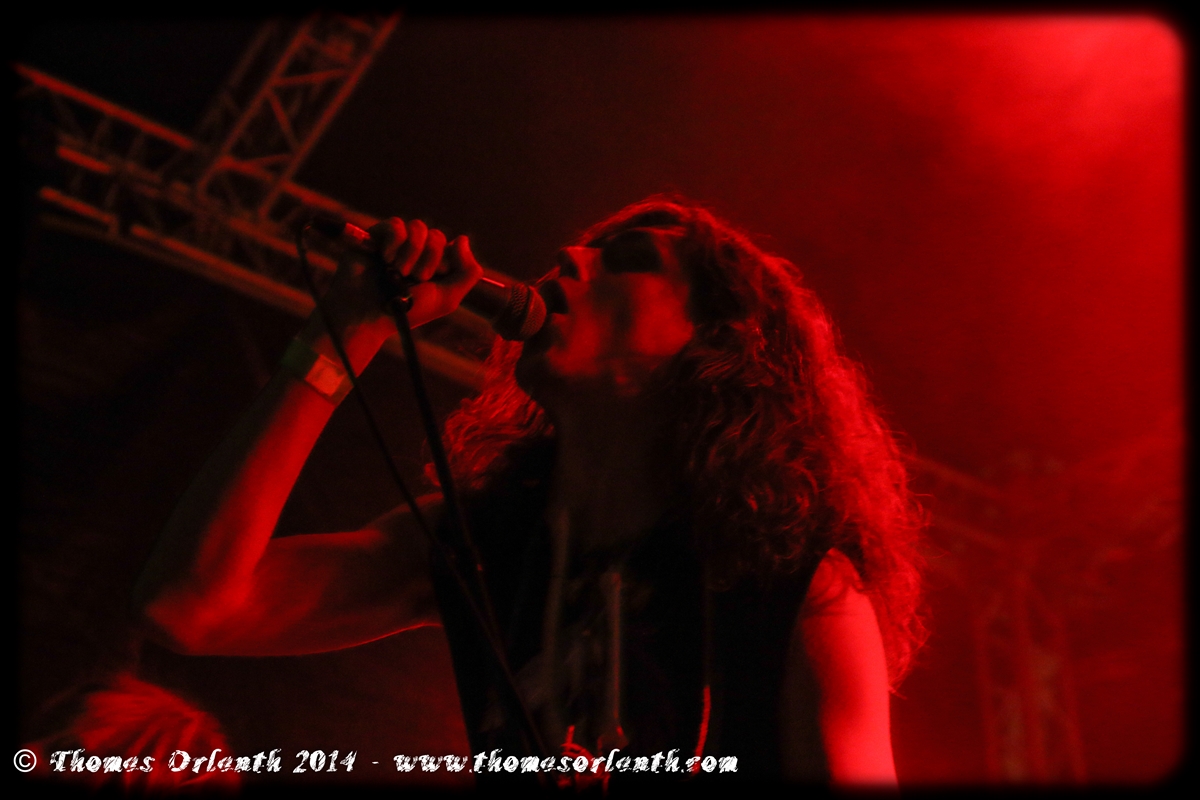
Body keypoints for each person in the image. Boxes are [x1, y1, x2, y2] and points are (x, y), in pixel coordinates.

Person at [133, 195, 925, 786]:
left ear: (715, 342)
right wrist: (344, 332)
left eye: (629, 257)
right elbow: (188, 608)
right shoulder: (477, 545)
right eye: (580, 247)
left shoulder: (799, 588)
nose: (570, 258)